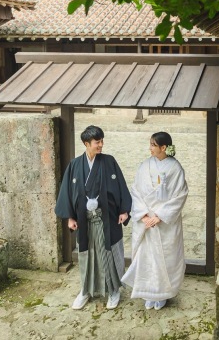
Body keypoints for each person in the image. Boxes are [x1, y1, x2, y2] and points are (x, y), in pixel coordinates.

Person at [55, 125, 132, 310]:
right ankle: (86, 291)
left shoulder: (109, 161)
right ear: (86, 143)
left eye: (102, 141)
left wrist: (124, 210)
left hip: (107, 219)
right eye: (97, 142)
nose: (101, 145)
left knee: (110, 255)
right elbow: (66, 192)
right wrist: (70, 217)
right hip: (85, 221)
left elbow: (121, 186)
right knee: (87, 256)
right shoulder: (75, 165)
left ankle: (114, 291)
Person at [122, 131, 188, 310]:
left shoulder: (175, 168)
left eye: (153, 145)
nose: (150, 148)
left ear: (163, 147)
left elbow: (180, 195)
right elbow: (135, 191)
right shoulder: (144, 166)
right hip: (146, 221)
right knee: (146, 259)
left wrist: (159, 216)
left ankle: (162, 295)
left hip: (164, 222)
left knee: (164, 258)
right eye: (150, 144)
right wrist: (143, 215)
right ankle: (148, 293)